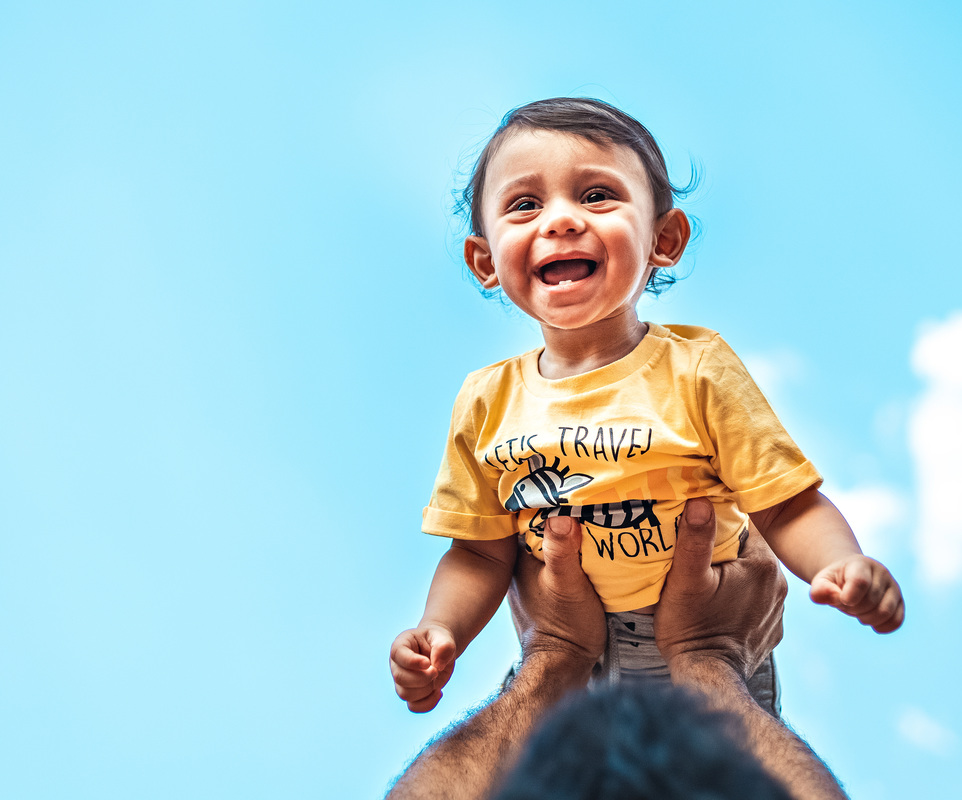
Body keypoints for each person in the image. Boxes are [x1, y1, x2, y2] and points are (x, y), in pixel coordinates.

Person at [391, 97, 905, 715]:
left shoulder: (696, 368)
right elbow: (478, 550)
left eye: (597, 195)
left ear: (664, 239)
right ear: (485, 262)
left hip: (711, 640)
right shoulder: (485, 401)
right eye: (525, 205)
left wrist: (842, 564)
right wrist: (440, 631)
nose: (559, 220)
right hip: (571, 657)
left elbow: (786, 503)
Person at [387, 498, 848, 800]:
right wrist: (711, 657)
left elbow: (784, 502)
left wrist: (554, 654)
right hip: (711, 657)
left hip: (574, 670)